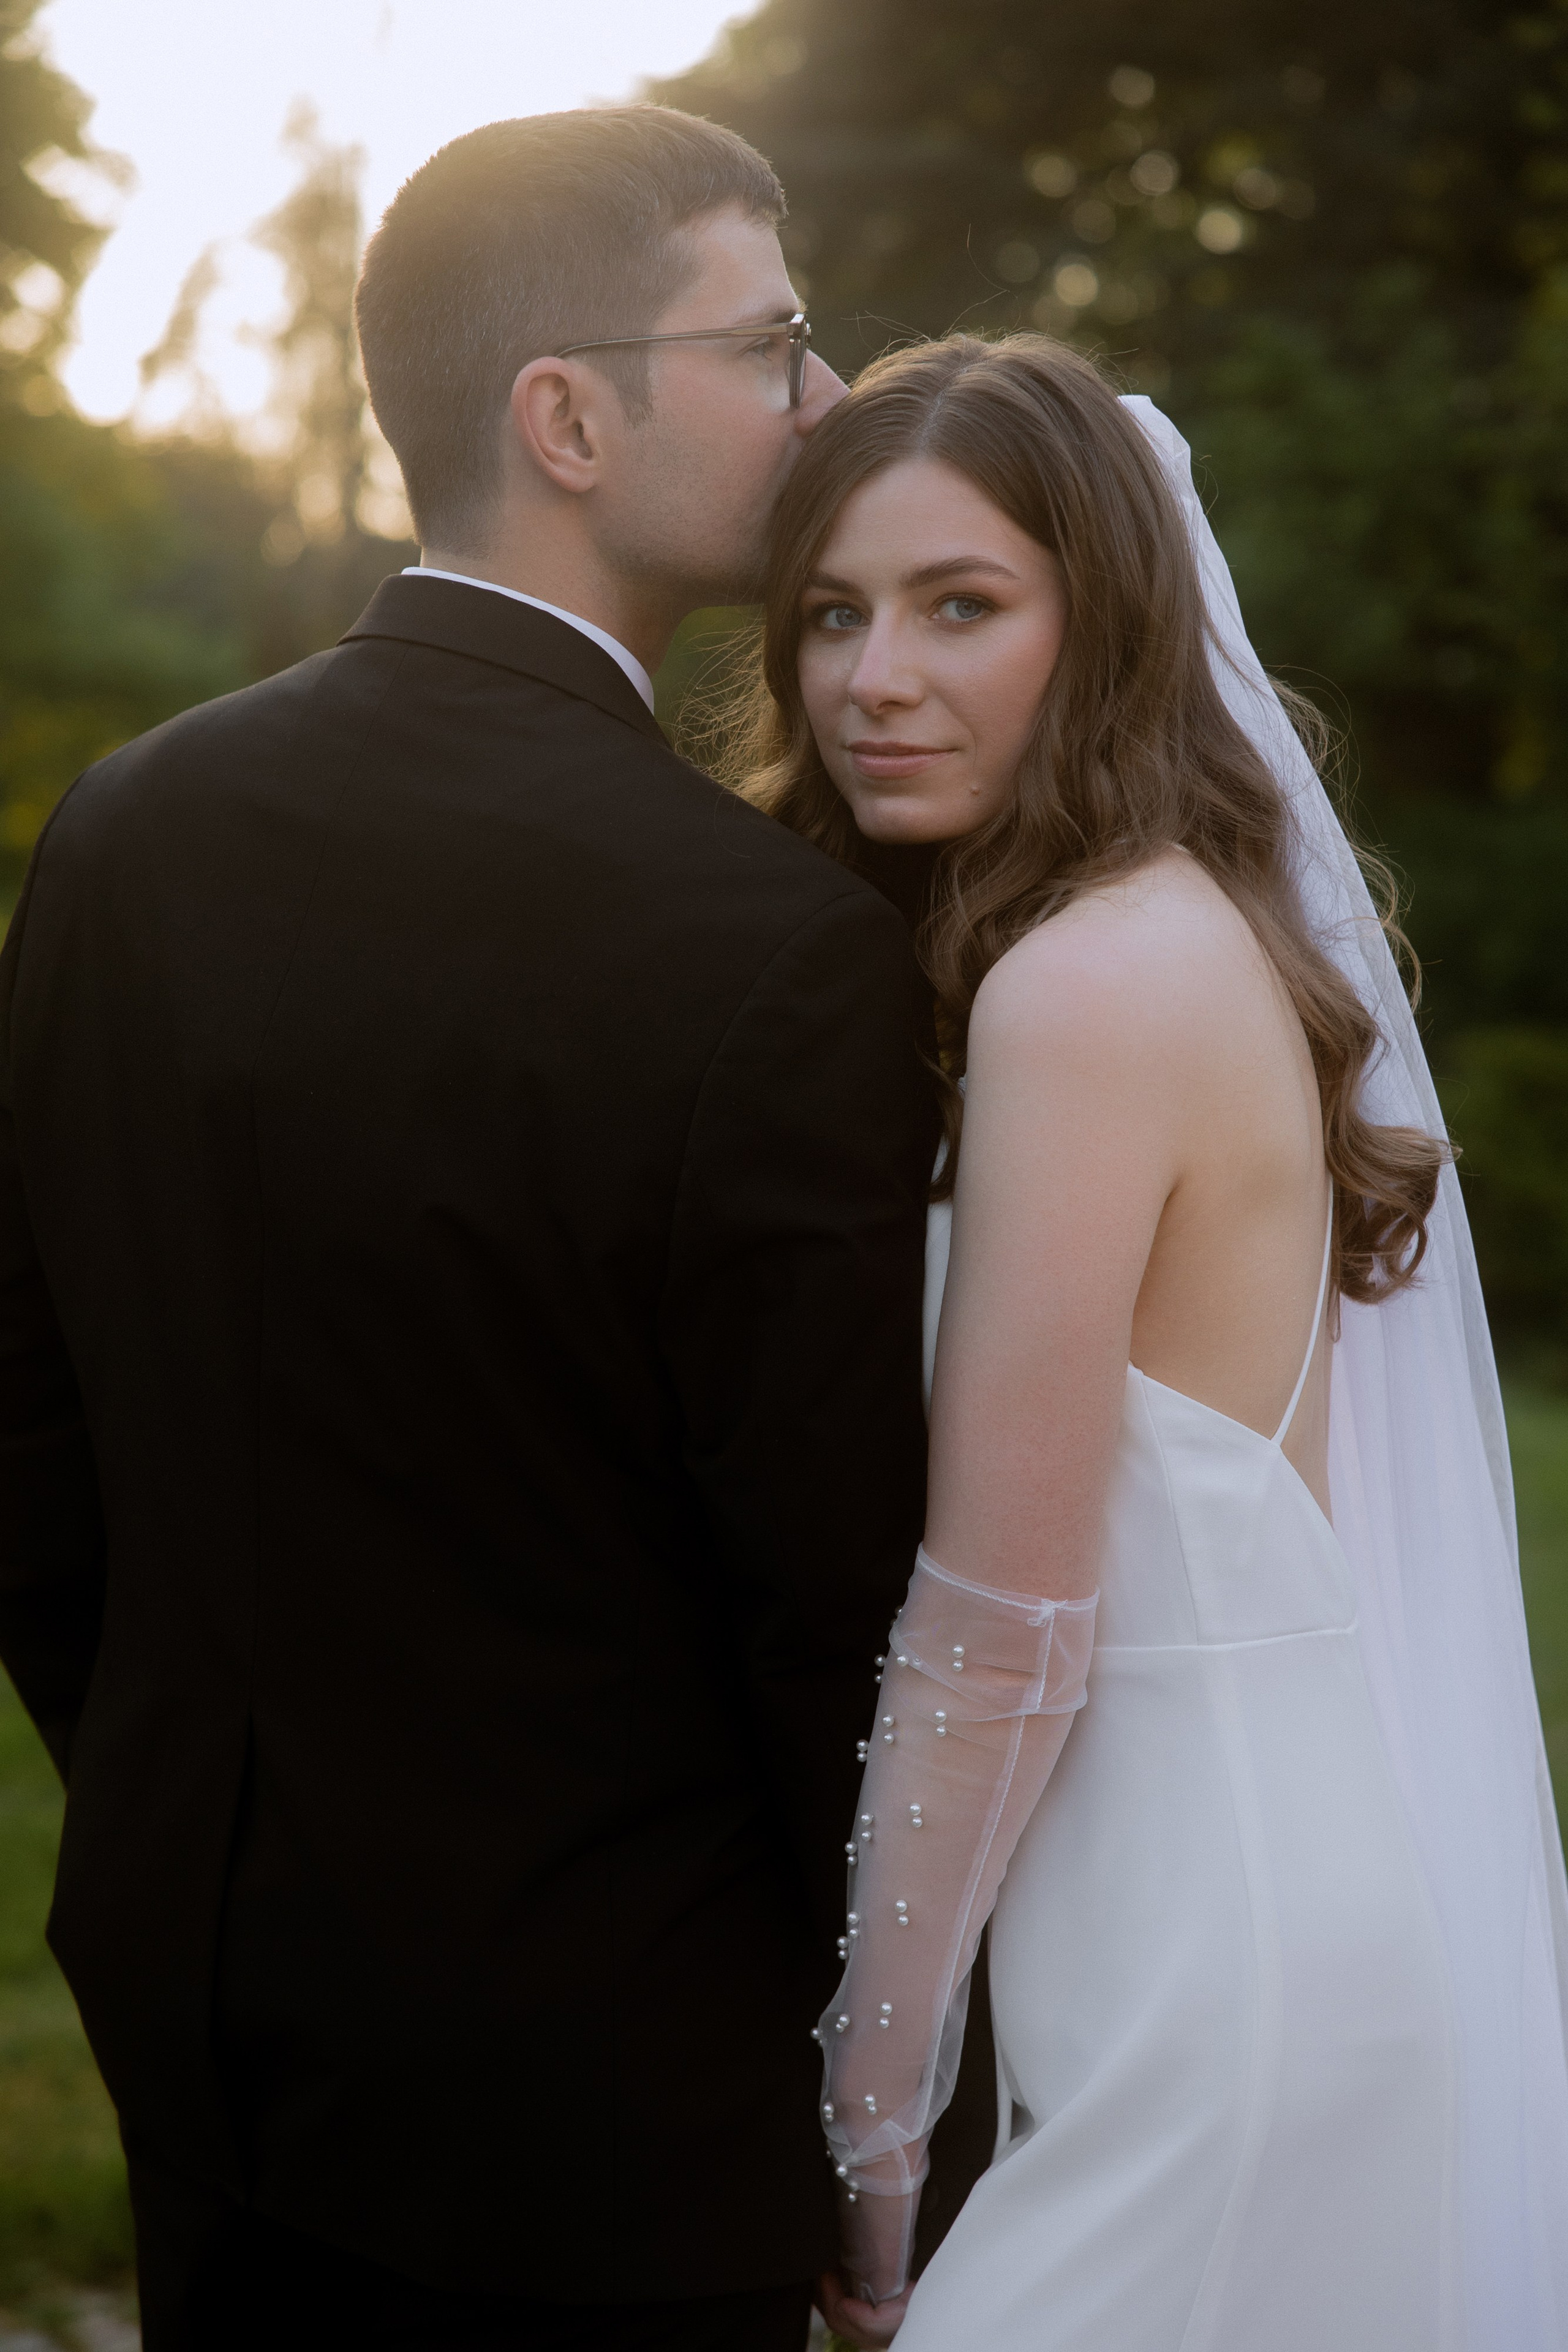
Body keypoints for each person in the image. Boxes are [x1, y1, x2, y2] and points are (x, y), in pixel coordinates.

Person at [0, 106, 940, 2351]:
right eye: (776, 342)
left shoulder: (128, 830)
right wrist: (879, 2095)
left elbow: (32, 1461)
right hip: (621, 2121)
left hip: (207, 2025)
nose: (825, 403)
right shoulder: (773, 945)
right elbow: (828, 1614)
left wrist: (184, 1812)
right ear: (569, 416)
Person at [734, 334, 1568, 2349]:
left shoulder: (1084, 992)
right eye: (833, 612)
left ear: (1101, 624)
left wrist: (870, 2129)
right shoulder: (1167, 930)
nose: (875, 678)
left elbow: (996, 1631)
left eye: (961, 606)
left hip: (1221, 1987)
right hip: (1238, 1934)